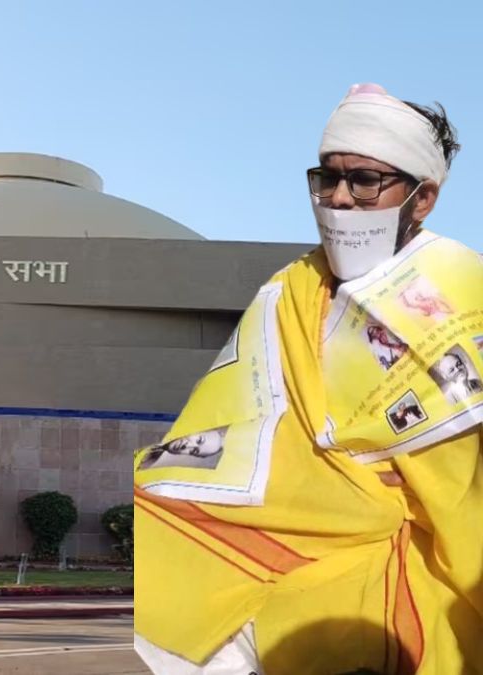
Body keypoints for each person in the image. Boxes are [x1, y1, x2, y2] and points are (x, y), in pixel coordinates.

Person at [135, 84, 483, 674]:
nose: (340, 199)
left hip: (420, 557)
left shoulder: (460, 287)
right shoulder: (290, 288)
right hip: (281, 525)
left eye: (366, 180)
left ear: (421, 199)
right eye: (328, 178)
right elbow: (234, 419)